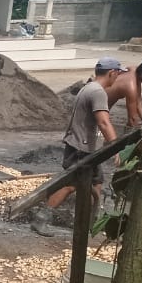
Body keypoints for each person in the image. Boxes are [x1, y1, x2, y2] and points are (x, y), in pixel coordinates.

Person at [40, 57, 123, 225]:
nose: (118, 78)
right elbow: (104, 122)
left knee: (97, 182)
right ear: (112, 73)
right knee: (71, 184)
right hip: (81, 147)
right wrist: (116, 147)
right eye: (118, 74)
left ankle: (86, 220)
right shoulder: (98, 92)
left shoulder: (89, 87)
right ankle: (41, 217)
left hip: (88, 148)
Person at [106, 57, 142, 130]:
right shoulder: (131, 87)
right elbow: (132, 118)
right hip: (95, 110)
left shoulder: (134, 70)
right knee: (101, 136)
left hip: (96, 103)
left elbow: (138, 99)